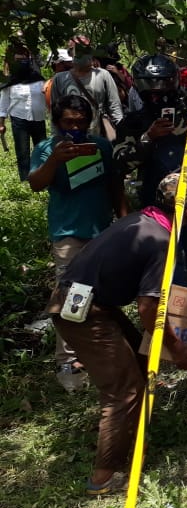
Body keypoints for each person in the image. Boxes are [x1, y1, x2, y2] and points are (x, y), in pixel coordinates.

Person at [46, 172, 187, 494]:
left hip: (86, 302)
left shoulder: (142, 219)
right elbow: (149, 308)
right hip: (84, 312)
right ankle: (104, 478)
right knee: (125, 389)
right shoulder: (162, 239)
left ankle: (127, 434)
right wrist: (177, 349)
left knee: (138, 357)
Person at [29, 94, 128, 391]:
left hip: (101, 231)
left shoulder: (100, 146)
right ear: (57, 123)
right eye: (69, 122)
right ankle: (69, 357)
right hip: (67, 232)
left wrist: (124, 221)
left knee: (101, 295)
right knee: (70, 295)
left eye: (81, 122)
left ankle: (103, 350)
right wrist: (56, 159)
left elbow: (115, 184)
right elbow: (35, 183)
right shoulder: (46, 149)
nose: (75, 127)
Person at [113, 54, 187, 291]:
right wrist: (148, 139)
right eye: (151, 87)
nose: (158, 94)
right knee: (171, 271)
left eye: (163, 85)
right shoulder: (133, 124)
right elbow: (120, 164)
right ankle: (172, 322)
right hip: (158, 211)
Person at [49, 36, 123, 140]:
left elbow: (115, 107)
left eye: (85, 49)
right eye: (78, 49)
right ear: (70, 53)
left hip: (98, 135)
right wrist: (56, 138)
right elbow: (55, 112)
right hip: (70, 137)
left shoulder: (103, 75)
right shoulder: (60, 79)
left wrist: (121, 133)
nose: (82, 52)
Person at [0, 46, 47, 180]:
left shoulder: (39, 79)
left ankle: (42, 177)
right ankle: (26, 179)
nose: (22, 62)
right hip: (19, 119)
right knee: (23, 152)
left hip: (39, 119)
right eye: (18, 59)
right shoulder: (9, 82)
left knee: (42, 149)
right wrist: (1, 123)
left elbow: (49, 98)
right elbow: (3, 104)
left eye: (24, 58)